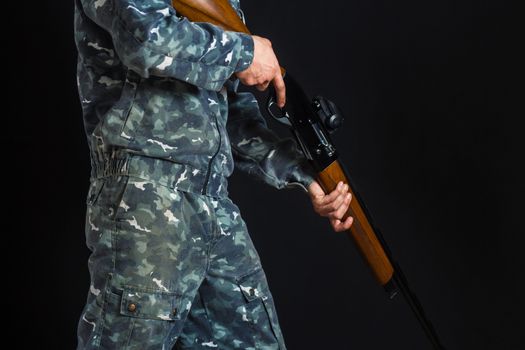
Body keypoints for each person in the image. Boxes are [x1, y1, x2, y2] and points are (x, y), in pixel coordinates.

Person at [74, 0, 353, 349]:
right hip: (145, 195)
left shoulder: (220, 4)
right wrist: (244, 51)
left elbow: (229, 111)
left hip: (213, 204)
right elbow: (144, 39)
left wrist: (303, 173)